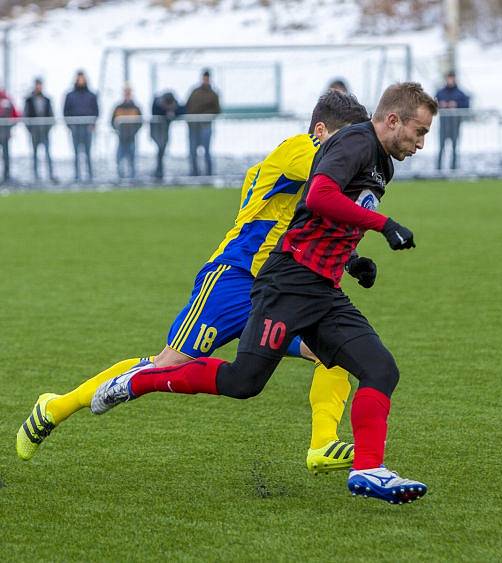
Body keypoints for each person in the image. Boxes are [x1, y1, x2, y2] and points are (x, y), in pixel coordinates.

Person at [87, 82, 438, 505]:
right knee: (243, 382)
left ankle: (368, 470)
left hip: (323, 291)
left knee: (381, 369)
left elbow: (327, 217)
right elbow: (320, 194)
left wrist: (352, 257)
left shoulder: (382, 163)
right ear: (393, 120)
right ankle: (141, 382)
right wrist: (383, 225)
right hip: (287, 284)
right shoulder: (356, 142)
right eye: (419, 132)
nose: (421, 143)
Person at [17, 90, 371, 477]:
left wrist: (350, 260)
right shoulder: (297, 149)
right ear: (320, 131)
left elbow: (304, 224)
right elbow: (333, 180)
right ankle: (55, 406)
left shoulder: (314, 172)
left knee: (332, 352)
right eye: (348, 140)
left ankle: (322, 443)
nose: (355, 149)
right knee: (168, 363)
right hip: (233, 279)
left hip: (280, 286)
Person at [63, 71, 99, 182]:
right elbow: (65, 111)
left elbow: (96, 111)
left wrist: (93, 124)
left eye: (82, 79)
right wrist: (70, 125)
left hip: (87, 127)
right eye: (79, 79)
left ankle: (90, 175)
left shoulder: (91, 95)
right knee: (76, 153)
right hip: (75, 128)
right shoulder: (70, 95)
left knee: (88, 152)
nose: (81, 81)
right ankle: (77, 175)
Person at [185, 69, 221, 176]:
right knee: (192, 152)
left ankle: (208, 174)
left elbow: (217, 110)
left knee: (207, 151)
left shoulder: (213, 94)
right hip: (193, 126)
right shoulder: (195, 91)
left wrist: (205, 115)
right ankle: (194, 173)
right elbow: (188, 106)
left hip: (206, 125)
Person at [435, 71, 470, 170]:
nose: (450, 80)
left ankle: (454, 168)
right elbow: (432, 102)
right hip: (443, 124)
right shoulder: (440, 92)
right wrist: (440, 104)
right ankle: (438, 168)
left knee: (454, 148)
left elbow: (467, 104)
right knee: (441, 147)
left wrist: (456, 104)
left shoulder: (460, 93)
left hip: (455, 124)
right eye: (449, 78)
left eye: (452, 78)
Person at [24, 78, 57, 183]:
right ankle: (35, 176)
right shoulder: (29, 100)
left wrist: (48, 128)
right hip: (34, 132)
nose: (39, 87)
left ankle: (50, 175)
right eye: (37, 85)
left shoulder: (47, 99)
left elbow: (51, 115)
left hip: (45, 131)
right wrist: (30, 129)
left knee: (48, 153)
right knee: (34, 154)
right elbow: (26, 116)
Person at [111, 85, 143, 179]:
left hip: (131, 137)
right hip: (121, 138)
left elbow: (140, 122)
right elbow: (112, 121)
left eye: (129, 93)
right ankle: (120, 177)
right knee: (119, 158)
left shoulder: (136, 108)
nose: (127, 95)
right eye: (126, 92)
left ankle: (132, 178)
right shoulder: (118, 107)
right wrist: (118, 130)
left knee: (132, 159)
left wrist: (134, 131)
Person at [150, 91, 183, 180]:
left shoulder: (174, 104)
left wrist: (172, 111)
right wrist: (167, 111)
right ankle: (158, 172)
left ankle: (159, 171)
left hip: (164, 131)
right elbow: (156, 111)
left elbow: (181, 110)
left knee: (162, 150)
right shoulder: (157, 103)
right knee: (160, 148)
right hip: (156, 130)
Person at [0, 87, 19, 183]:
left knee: (6, 154)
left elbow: (16, 115)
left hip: (5, 133)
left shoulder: (8, 100)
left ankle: (6, 175)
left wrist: (10, 126)